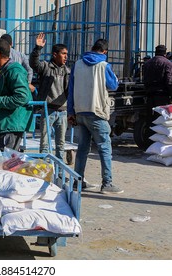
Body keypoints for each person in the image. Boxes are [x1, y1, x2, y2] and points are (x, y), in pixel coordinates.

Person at [67, 38, 123, 194]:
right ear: (105, 51)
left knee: (83, 148)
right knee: (104, 148)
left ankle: (77, 181)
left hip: (80, 112)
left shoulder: (77, 65)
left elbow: (70, 90)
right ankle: (107, 183)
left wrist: (70, 112)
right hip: (97, 112)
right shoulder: (104, 66)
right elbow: (113, 86)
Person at [0, 38, 33, 151]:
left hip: (9, 126)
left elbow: (21, 97)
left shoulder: (14, 71)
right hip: (1, 125)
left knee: (7, 163)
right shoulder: (2, 71)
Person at [29, 32, 70, 161]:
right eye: (63, 54)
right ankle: (44, 169)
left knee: (61, 145)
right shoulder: (46, 67)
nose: (66, 56)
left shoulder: (67, 71)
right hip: (48, 110)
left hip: (62, 111)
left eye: (66, 54)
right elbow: (34, 63)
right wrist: (38, 48)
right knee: (45, 144)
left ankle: (59, 171)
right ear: (55, 54)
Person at [143, 45, 172, 148]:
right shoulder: (167, 63)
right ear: (165, 53)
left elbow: (144, 80)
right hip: (162, 97)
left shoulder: (147, 63)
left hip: (150, 96)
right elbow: (169, 81)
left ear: (155, 52)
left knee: (149, 120)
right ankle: (160, 145)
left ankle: (148, 144)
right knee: (162, 122)